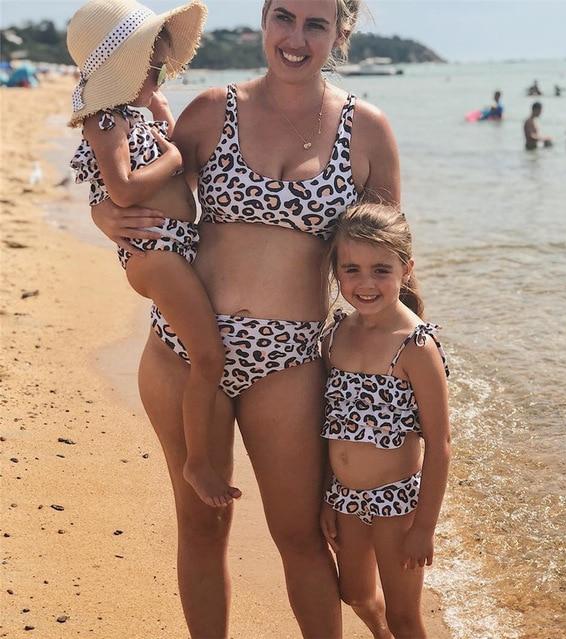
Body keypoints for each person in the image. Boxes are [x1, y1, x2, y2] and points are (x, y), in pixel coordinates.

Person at [91, 0, 401, 636]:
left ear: (338, 34)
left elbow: (390, 260)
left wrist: (397, 369)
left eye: (315, 24)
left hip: (289, 358)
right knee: (202, 523)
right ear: (263, 22)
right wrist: (103, 216)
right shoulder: (212, 110)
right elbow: (141, 189)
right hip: (185, 343)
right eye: (282, 17)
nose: (295, 37)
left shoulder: (367, 130)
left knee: (301, 534)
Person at [67, 0, 241, 509]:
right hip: (157, 254)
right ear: (123, 67)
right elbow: (122, 191)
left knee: (204, 356)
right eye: (153, 66)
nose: (161, 75)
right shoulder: (104, 121)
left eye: (163, 65)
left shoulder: (130, 115)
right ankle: (198, 462)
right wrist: (173, 155)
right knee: (209, 358)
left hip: (168, 248)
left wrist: (160, 120)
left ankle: (197, 457)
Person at [319, 204, 450, 639]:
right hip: (346, 497)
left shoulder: (415, 345)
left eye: (381, 270)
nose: (365, 283)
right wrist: (327, 495)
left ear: (405, 269)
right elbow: (330, 428)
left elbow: (440, 442)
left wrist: (425, 527)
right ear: (337, 272)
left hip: (398, 504)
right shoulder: (335, 334)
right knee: (354, 593)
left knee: (405, 615)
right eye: (352, 269)